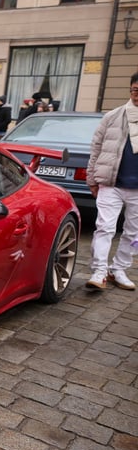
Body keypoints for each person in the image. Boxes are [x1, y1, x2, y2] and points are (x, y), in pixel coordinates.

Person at [84, 72, 138, 290]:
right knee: (104, 227)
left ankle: (120, 269)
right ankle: (99, 270)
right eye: (135, 90)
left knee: (134, 232)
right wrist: (91, 178)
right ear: (130, 90)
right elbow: (95, 148)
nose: (137, 94)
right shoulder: (113, 117)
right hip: (111, 183)